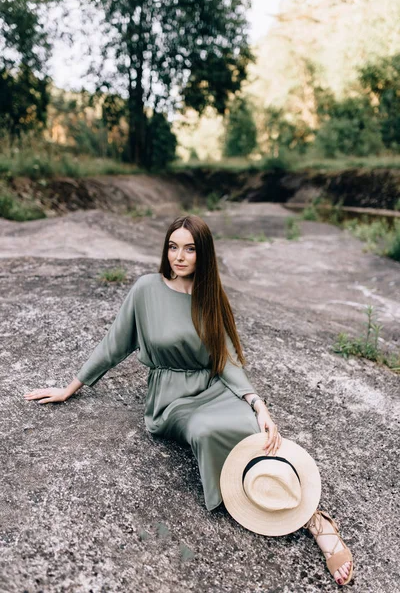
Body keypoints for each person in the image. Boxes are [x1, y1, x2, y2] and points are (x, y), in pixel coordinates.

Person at [24, 214, 353, 586]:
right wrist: (71, 387)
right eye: (173, 246)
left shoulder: (209, 296)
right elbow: (114, 344)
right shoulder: (146, 289)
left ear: (203, 255)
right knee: (206, 430)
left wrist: (258, 403)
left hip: (213, 387)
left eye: (190, 249)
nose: (179, 256)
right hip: (172, 399)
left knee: (249, 427)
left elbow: (224, 357)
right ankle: (257, 501)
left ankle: (310, 515)